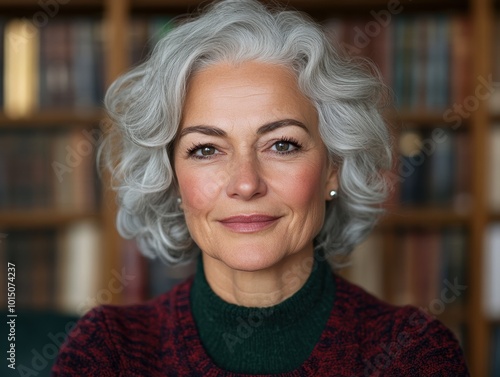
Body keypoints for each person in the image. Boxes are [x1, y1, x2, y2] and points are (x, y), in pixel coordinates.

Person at [52, 0, 469, 375]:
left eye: (282, 144)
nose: (246, 183)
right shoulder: (108, 353)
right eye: (206, 150)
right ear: (170, 177)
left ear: (332, 168)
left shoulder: (412, 354)